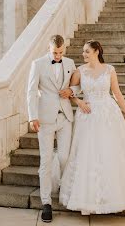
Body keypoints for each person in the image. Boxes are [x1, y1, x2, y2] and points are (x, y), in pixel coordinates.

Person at [59, 40, 125, 215]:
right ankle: (89, 198)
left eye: (87, 51)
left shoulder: (109, 70)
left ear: (96, 51)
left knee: (112, 153)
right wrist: (79, 102)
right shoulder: (79, 71)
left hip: (109, 115)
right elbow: (70, 92)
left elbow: (117, 94)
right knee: (89, 154)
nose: (84, 54)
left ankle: (115, 195)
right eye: (83, 52)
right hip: (87, 116)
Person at [27, 34, 76, 223]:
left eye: (61, 52)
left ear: (64, 49)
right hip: (45, 119)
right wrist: (32, 117)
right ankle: (46, 203)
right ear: (49, 48)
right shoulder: (37, 64)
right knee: (46, 161)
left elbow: (79, 85)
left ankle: (65, 189)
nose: (57, 55)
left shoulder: (70, 63)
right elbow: (31, 91)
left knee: (64, 157)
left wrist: (72, 91)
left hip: (65, 117)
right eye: (55, 52)